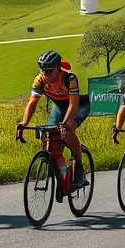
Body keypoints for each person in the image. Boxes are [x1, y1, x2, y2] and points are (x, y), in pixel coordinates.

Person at [17, 50, 90, 188]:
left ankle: (79, 166)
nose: (45, 74)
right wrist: (24, 123)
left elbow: (73, 105)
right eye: (42, 70)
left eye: (48, 71)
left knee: (67, 130)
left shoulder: (70, 78)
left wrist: (64, 124)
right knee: (49, 136)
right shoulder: (40, 79)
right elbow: (33, 102)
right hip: (59, 106)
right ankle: (63, 172)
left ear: (57, 69)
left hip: (79, 105)